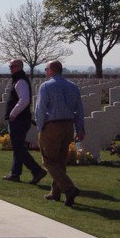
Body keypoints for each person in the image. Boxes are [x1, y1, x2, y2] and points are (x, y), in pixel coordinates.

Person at [34, 60, 85, 207]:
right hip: (68, 125)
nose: (45, 72)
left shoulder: (46, 86)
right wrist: (79, 129)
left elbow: (41, 109)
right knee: (60, 161)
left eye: (46, 69)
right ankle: (55, 193)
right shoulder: (73, 86)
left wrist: (41, 127)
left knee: (48, 161)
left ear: (51, 70)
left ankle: (69, 189)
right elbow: (79, 110)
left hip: (52, 126)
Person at [1, 59, 47, 184]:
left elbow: (24, 100)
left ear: (20, 66)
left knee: (18, 148)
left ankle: (37, 170)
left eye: (13, 66)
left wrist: (13, 114)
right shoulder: (18, 79)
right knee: (18, 147)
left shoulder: (20, 81)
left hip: (19, 120)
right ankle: (15, 174)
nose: (11, 68)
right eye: (10, 66)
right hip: (20, 119)